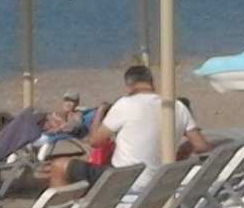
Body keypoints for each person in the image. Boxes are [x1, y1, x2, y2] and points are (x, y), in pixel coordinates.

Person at [85, 63, 213, 177]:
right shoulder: (177, 106)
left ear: (129, 86)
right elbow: (202, 146)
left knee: (73, 167)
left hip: (124, 182)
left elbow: (95, 142)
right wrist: (181, 151)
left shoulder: (124, 104)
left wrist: (99, 112)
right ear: (152, 83)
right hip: (160, 181)